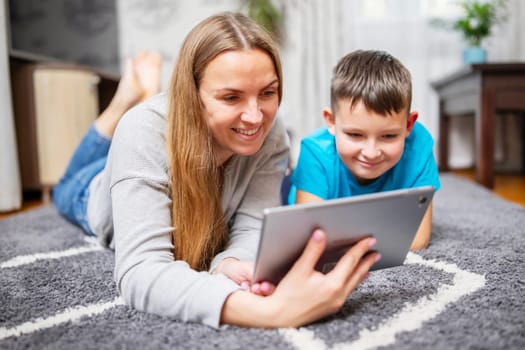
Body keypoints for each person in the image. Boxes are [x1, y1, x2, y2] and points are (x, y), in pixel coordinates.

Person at [53, 12, 380, 329]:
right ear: (192, 96)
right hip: (92, 190)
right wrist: (270, 311)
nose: (255, 117)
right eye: (231, 97)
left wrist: (230, 265)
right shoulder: (142, 132)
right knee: (63, 186)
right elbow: (140, 272)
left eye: (267, 92)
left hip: (153, 154)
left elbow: (253, 224)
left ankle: (143, 98)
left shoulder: (271, 130)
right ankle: (123, 103)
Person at [289, 50, 441, 251]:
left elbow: (419, 240)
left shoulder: (419, 146)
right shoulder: (315, 151)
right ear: (331, 121)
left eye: (388, 136)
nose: (371, 152)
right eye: (355, 135)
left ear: (408, 125)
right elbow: (310, 241)